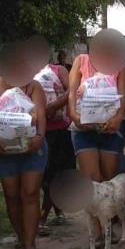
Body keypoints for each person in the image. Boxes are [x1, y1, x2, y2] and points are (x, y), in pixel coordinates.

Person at [0, 45, 48, 249]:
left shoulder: (33, 87)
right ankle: (20, 238)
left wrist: (38, 138)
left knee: (29, 193)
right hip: (4, 151)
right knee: (11, 195)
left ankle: (30, 244)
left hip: (32, 149)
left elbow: (41, 115)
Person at [68, 29, 125, 183]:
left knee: (109, 179)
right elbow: (72, 92)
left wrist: (118, 118)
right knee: (92, 179)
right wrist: (74, 116)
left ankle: (110, 208)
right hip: (83, 130)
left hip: (109, 129)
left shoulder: (120, 66)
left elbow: (122, 96)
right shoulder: (81, 61)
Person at [34, 59, 74, 235]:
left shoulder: (59, 71)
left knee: (55, 174)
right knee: (41, 175)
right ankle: (57, 209)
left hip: (59, 130)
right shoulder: (25, 74)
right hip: (35, 132)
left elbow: (72, 89)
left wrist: (53, 107)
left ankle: (42, 218)